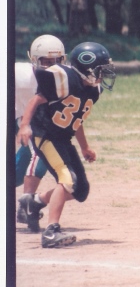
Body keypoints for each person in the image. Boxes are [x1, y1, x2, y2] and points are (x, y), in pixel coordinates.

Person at [16, 42, 116, 248]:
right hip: (45, 135)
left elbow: (76, 120)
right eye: (100, 70)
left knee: (80, 190)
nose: (103, 75)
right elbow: (37, 99)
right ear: (87, 69)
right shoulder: (64, 79)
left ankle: (34, 202)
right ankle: (51, 232)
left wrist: (85, 147)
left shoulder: (93, 91)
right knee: (67, 178)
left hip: (62, 138)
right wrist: (25, 125)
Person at [15, 35, 66, 224]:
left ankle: (25, 205)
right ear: (34, 59)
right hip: (13, 116)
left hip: (32, 120)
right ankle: (26, 205)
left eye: (57, 61)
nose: (52, 66)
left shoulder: (64, 79)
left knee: (28, 163)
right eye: (46, 61)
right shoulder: (19, 73)